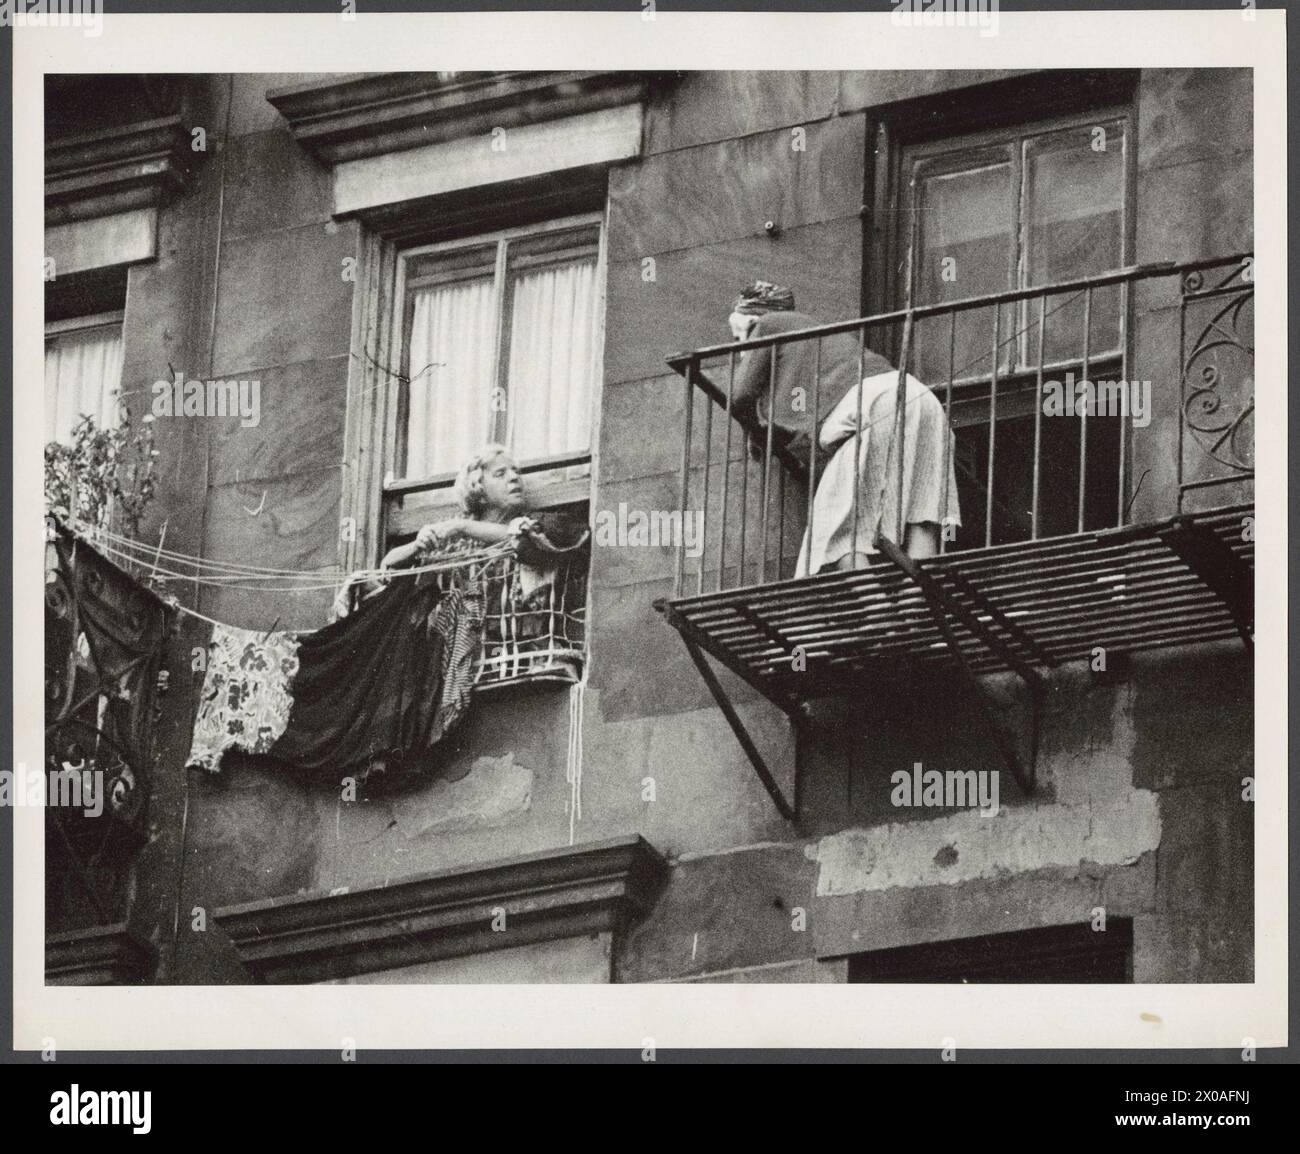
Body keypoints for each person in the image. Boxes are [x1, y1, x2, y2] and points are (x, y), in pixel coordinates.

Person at [796, 365, 961, 575]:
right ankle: (913, 603)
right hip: (925, 398)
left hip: (875, 402)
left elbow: (741, 394)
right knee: (924, 515)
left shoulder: (796, 388)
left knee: (836, 532)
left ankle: (881, 605)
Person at [727, 280, 891, 468]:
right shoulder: (810, 341)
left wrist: (757, 433)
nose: (741, 351)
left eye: (740, 338)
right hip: (905, 392)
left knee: (834, 493)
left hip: (865, 405)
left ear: (752, 323)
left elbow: (740, 396)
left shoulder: (769, 324)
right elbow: (799, 402)